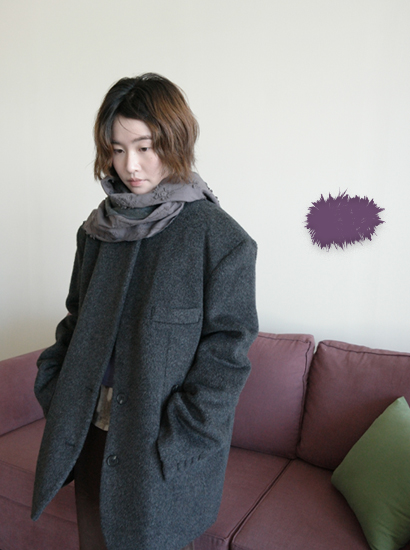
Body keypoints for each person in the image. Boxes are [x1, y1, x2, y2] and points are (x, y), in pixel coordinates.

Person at [31, 73, 258, 550]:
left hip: (158, 447)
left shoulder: (220, 239)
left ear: (176, 142)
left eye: (145, 147)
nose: (129, 165)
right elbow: (75, 320)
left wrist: (182, 435)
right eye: (117, 149)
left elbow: (227, 355)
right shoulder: (96, 231)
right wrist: (53, 384)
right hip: (88, 432)